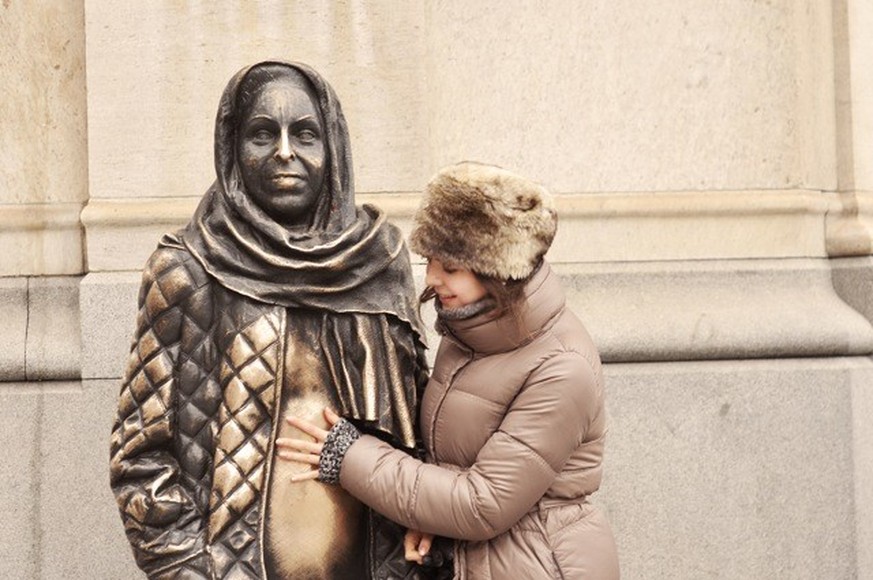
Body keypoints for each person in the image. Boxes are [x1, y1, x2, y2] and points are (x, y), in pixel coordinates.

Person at [109, 61, 430, 579]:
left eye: (305, 133)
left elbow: (421, 424)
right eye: (263, 133)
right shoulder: (187, 270)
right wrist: (190, 570)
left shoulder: (378, 260)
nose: (285, 151)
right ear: (232, 149)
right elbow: (140, 456)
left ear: (334, 149)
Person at [278, 161, 621, 579]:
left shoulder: (563, 370)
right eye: (431, 260)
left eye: (451, 267)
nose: (434, 278)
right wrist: (430, 517)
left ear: (499, 273)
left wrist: (350, 456)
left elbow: (482, 504)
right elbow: (460, 460)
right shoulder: (471, 331)